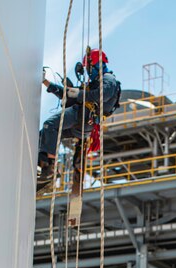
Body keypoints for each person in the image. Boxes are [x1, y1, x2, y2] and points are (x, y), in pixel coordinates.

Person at [38, 48, 120, 185]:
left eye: (89, 67)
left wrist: (79, 94)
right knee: (44, 134)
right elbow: (67, 93)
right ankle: (43, 165)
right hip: (83, 123)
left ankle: (50, 167)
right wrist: (46, 82)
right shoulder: (93, 84)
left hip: (84, 116)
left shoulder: (108, 79)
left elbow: (103, 95)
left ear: (96, 64)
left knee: (50, 125)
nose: (88, 71)